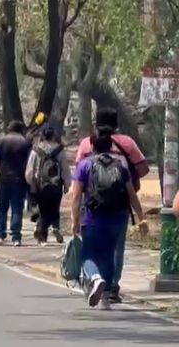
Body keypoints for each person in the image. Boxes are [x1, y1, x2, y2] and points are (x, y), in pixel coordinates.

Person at [73, 107, 149, 303]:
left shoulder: (86, 145)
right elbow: (143, 169)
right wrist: (123, 183)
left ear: (96, 123)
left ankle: (96, 278)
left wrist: (74, 219)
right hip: (120, 209)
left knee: (89, 251)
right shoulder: (127, 144)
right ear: (116, 124)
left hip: (91, 209)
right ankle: (111, 288)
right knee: (115, 249)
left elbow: (77, 185)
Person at [0, 120, 32, 246]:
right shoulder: (26, 143)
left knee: (1, 207)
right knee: (17, 208)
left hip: (3, 179)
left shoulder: (0, 142)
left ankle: (0, 234)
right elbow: (30, 162)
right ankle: (16, 237)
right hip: (19, 180)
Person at [25, 124, 69, 245]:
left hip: (40, 185)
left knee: (43, 210)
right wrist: (66, 183)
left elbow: (30, 169)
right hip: (56, 185)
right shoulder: (59, 150)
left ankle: (42, 237)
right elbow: (65, 168)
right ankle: (55, 226)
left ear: (42, 135)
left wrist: (31, 182)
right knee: (55, 208)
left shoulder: (36, 149)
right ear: (53, 135)